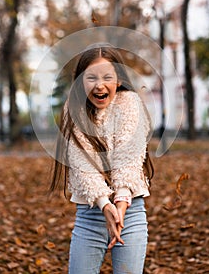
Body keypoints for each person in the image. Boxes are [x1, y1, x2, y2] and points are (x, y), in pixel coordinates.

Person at [50, 43, 154, 274]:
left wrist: (120, 204)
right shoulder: (73, 109)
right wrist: (104, 205)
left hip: (131, 211)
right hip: (90, 214)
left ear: (118, 80)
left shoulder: (130, 104)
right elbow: (82, 163)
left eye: (107, 77)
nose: (99, 85)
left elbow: (129, 156)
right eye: (91, 78)